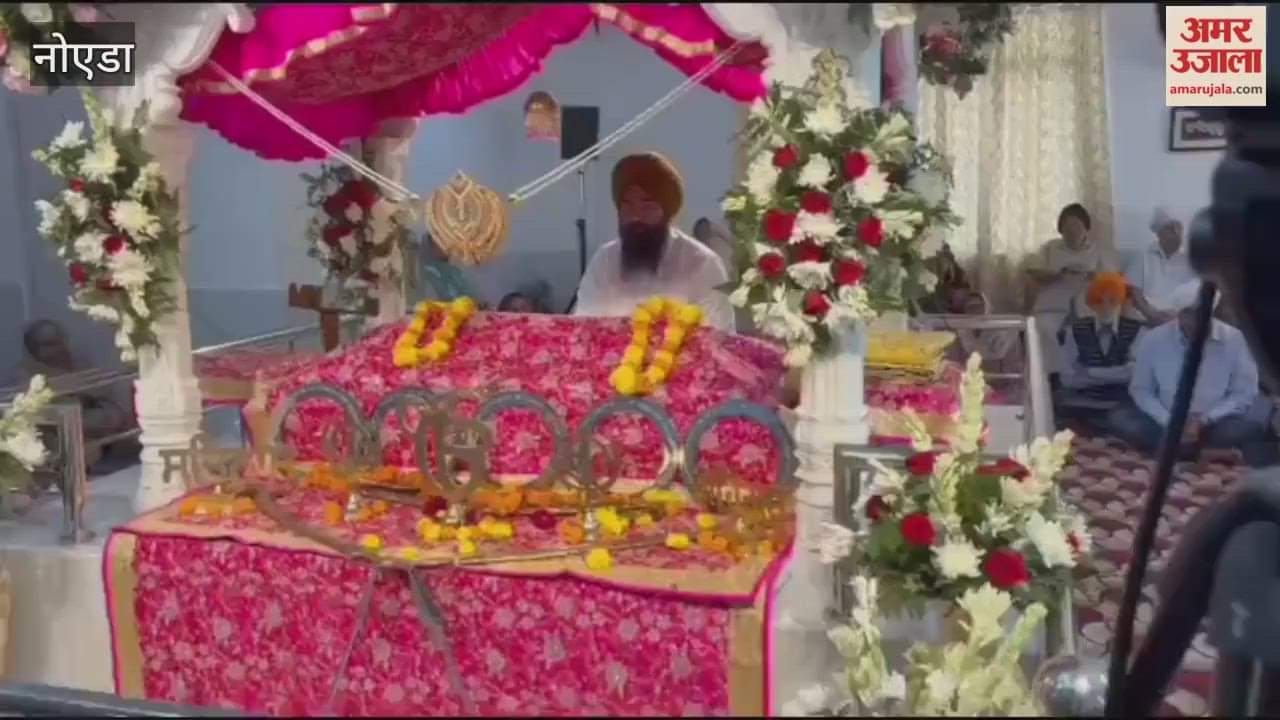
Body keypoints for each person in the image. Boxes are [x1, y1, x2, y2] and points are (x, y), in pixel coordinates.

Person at [1101, 280, 1273, 464]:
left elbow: (1244, 393)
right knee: (1120, 418)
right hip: (1164, 420)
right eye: (1188, 314)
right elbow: (1141, 390)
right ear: (1178, 314)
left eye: (1201, 314)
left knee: (1252, 426)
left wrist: (1205, 420)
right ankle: (1203, 454)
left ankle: (1172, 451)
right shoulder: (1154, 339)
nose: (1195, 320)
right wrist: (1171, 421)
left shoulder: (1235, 340)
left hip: (1213, 424)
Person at [574, 153, 734, 331]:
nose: (636, 216)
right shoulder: (604, 260)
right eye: (628, 205)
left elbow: (721, 339)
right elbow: (583, 330)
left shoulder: (701, 263)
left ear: (666, 211)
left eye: (647, 206)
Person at [1028, 203, 1108, 379]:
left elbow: (1112, 281)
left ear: (1086, 229)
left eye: (1077, 225)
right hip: (1052, 306)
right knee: (1042, 328)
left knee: (1086, 329)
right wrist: (1058, 274)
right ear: (1060, 229)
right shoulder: (1050, 248)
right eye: (1066, 226)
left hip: (1088, 307)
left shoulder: (1097, 251)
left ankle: (1076, 377)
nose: (1072, 231)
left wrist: (1093, 276)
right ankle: (1055, 376)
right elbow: (1033, 272)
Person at [1058, 272, 1145, 406]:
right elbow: (1067, 378)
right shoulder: (1075, 330)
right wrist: (1118, 375)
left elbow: (1135, 375)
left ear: (1120, 302)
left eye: (1112, 301)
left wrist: (1089, 372)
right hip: (1081, 403)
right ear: (1091, 304)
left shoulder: (1137, 330)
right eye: (1099, 301)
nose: (1106, 307)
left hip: (1122, 403)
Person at [1125, 206, 1196, 327]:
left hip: (1184, 324)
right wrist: (1150, 315)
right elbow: (1134, 293)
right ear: (1158, 233)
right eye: (1170, 228)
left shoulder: (1192, 260)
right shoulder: (1143, 257)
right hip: (1148, 322)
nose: (1176, 232)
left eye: (1179, 227)